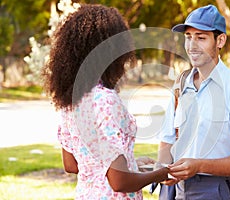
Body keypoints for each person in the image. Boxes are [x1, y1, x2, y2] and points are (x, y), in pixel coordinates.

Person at [42, 4, 169, 199]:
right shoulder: (105, 101)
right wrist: (162, 173)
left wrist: (133, 163)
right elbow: (119, 182)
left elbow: (73, 165)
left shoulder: (72, 101)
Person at [157, 4, 230, 199]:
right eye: (188, 37)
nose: (192, 46)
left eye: (201, 38)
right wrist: (163, 169)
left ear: (220, 40)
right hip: (178, 191)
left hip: (217, 190)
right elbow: (167, 142)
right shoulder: (180, 87)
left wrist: (199, 166)